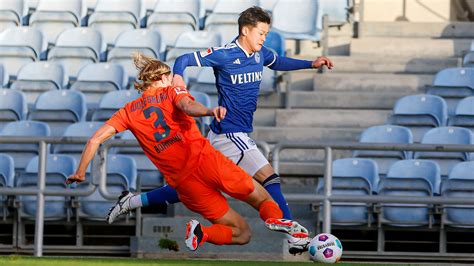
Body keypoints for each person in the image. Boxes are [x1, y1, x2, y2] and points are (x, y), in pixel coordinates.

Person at [66, 53, 309, 251]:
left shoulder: (127, 112)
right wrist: (208, 111)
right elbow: (187, 105)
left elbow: (95, 139)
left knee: (241, 233)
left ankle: (202, 233)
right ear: (162, 77)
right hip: (206, 162)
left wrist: (80, 172)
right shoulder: (171, 92)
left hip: (184, 184)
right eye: (170, 76)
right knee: (264, 198)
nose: (174, 79)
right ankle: (274, 219)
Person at [171, 6, 334, 254]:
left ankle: (137, 202)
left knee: (192, 185)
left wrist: (311, 63)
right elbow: (182, 60)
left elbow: (278, 61)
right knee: (269, 178)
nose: (263, 38)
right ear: (246, 30)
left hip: (229, 135)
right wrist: (178, 77)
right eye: (261, 33)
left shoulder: (259, 54)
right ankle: (294, 234)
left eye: (266, 34)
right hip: (230, 134)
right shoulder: (225, 54)